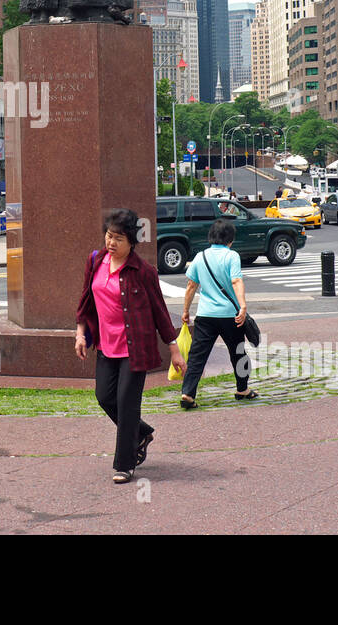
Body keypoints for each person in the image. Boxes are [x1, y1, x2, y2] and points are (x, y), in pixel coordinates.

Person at [75, 208, 185, 485]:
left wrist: (173, 349)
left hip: (134, 348)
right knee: (104, 397)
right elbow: (86, 301)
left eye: (119, 239)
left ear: (132, 242)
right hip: (105, 345)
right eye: (109, 236)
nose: (111, 243)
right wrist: (80, 334)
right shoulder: (96, 261)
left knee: (126, 406)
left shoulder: (143, 271)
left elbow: (160, 311)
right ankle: (142, 432)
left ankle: (125, 465)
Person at [179, 218, 255, 408]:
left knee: (197, 355)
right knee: (238, 352)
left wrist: (186, 311)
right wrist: (243, 306)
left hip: (205, 315)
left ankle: (188, 393)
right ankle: (242, 389)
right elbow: (237, 282)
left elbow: (191, 286)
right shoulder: (232, 256)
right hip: (230, 315)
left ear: (211, 236)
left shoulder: (200, 257)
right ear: (230, 239)